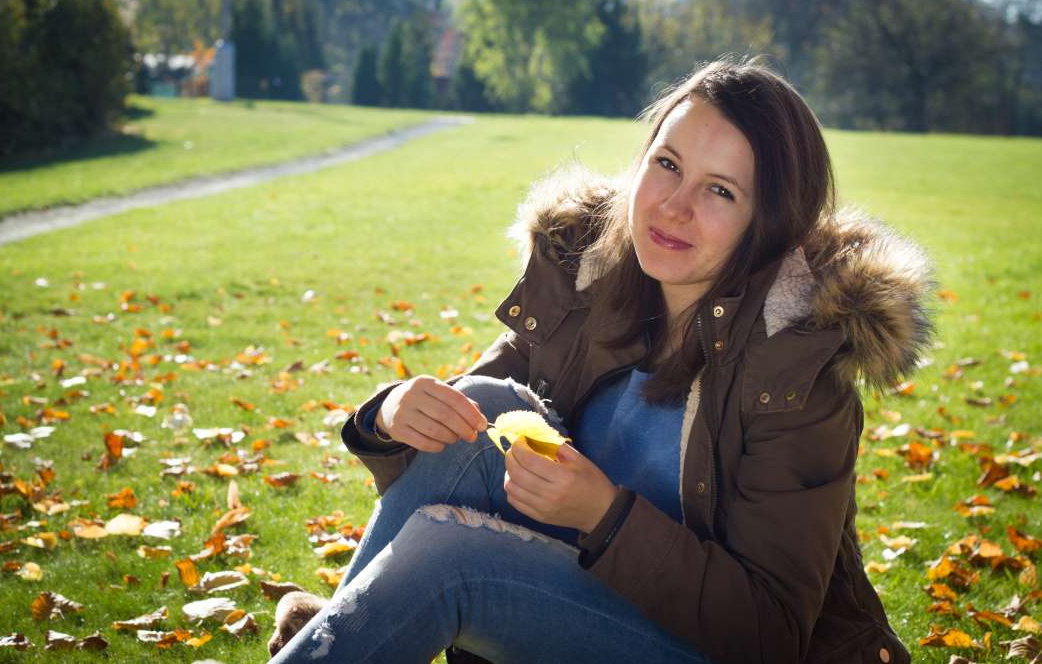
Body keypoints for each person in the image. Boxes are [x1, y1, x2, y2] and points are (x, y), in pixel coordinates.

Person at [267, 58, 930, 663]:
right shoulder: (588, 280)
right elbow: (450, 464)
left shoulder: (795, 370)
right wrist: (387, 415)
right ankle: (344, 635)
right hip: (576, 602)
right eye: (667, 164)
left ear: (770, 223)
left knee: (451, 557)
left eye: (720, 191)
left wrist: (604, 514)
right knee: (485, 404)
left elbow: (771, 633)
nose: (673, 207)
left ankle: (336, 635)